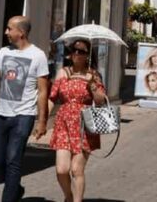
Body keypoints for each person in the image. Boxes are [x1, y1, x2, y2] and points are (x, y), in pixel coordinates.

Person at [0, 16, 49, 202]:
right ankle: (16, 188)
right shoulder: (3, 52)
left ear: (21, 32)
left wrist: (42, 121)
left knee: (13, 160)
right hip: (1, 114)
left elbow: (43, 91)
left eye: (9, 29)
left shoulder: (38, 55)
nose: (6, 32)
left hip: (24, 115)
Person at [49, 38, 107, 202]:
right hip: (63, 124)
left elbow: (101, 100)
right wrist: (41, 120)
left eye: (81, 51)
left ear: (87, 55)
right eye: (74, 50)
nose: (76, 53)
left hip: (84, 125)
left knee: (76, 170)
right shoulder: (63, 72)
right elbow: (52, 97)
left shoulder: (93, 75)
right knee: (61, 169)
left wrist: (92, 85)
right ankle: (68, 196)